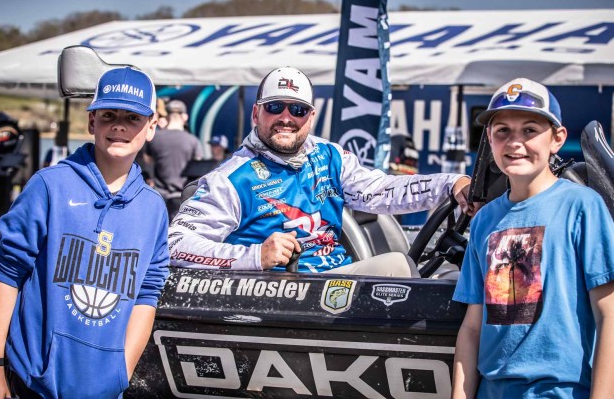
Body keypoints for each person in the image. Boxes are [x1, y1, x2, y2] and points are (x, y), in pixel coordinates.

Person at [168, 66, 477, 276]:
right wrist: (256, 256)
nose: (286, 118)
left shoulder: (329, 156)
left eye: (298, 109)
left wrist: (451, 184)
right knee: (397, 268)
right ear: (256, 113)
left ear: (311, 117)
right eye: (275, 107)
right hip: (278, 295)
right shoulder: (229, 179)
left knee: (450, 277)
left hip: (336, 285)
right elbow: (175, 245)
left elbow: (381, 192)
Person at [0, 66, 170, 399]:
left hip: (103, 390)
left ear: (151, 127)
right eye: (108, 115)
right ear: (91, 122)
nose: (119, 125)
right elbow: (9, 274)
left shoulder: (154, 208)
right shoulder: (49, 185)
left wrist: (120, 373)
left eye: (132, 118)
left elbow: (147, 294)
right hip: (29, 383)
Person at [451, 78, 614, 398]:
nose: (515, 142)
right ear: (489, 138)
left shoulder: (582, 206)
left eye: (529, 130)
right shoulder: (484, 220)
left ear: (557, 138)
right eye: (503, 131)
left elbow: (609, 313)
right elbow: (471, 327)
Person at [145, 99, 203, 219]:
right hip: (182, 198)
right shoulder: (193, 141)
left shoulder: (154, 138)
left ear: (167, 116)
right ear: (185, 117)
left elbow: (147, 161)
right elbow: (198, 168)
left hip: (158, 196)